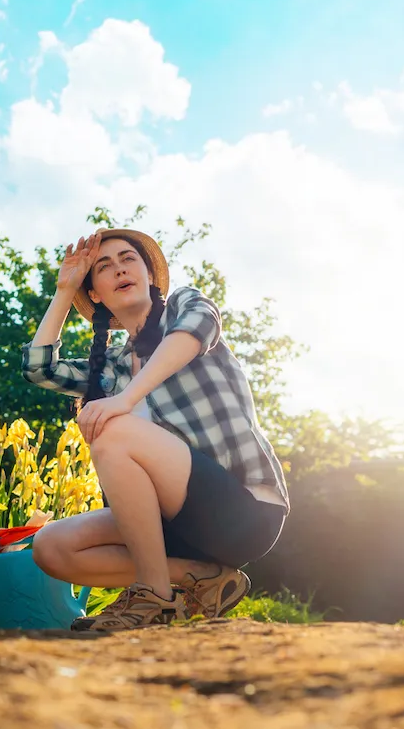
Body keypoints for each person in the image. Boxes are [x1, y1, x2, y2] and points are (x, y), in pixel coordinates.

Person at [20, 228, 290, 631]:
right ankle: (199, 577)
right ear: (95, 292)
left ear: (149, 274)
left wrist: (125, 400)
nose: (119, 269)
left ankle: (152, 596)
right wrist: (64, 289)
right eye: (104, 268)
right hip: (176, 528)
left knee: (113, 428)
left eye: (129, 259)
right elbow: (39, 369)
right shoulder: (109, 366)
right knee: (51, 547)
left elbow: (197, 329)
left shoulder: (182, 306)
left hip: (243, 512)